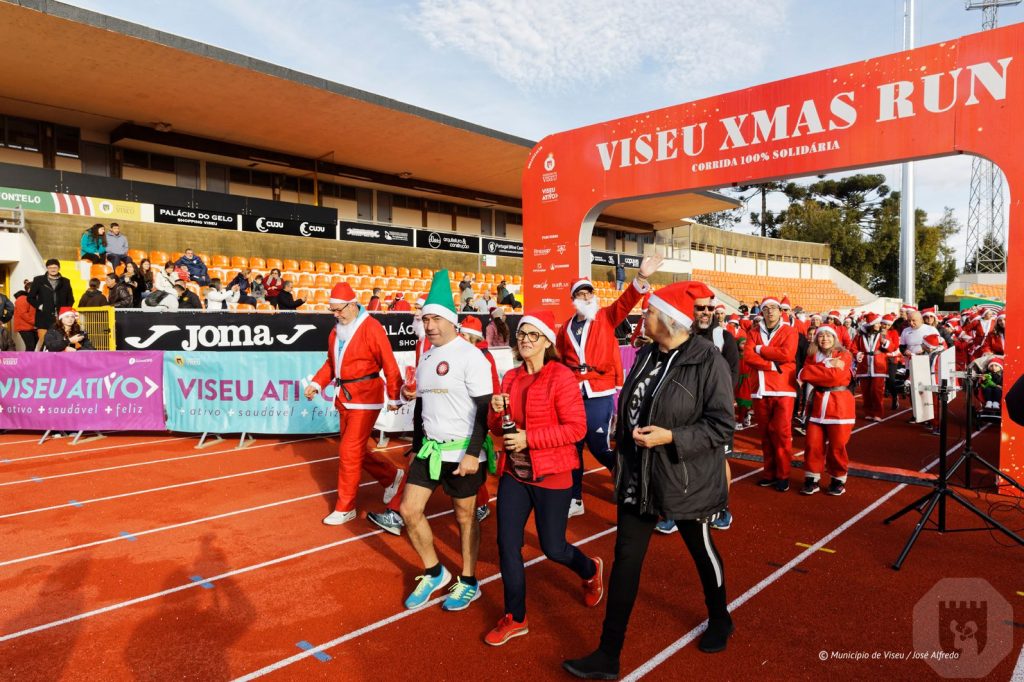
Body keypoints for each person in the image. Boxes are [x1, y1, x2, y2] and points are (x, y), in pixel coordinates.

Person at [563, 281, 735, 680]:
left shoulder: (708, 361)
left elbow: (721, 426)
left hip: (684, 478)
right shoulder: (644, 353)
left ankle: (720, 616)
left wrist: (672, 436)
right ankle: (609, 653)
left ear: (671, 321)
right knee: (626, 559)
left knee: (700, 551)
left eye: (650, 313)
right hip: (638, 477)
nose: (643, 319)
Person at [484, 310, 603, 646]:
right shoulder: (510, 377)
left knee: (553, 547)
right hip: (515, 474)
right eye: (521, 334)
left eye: (533, 335)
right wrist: (495, 410)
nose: (525, 340)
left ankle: (590, 570)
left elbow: (576, 429)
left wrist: (529, 438)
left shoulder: (561, 377)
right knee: (507, 544)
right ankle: (515, 616)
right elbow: (498, 428)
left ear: (548, 341)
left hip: (552, 474)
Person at [393, 270, 493, 612]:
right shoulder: (426, 357)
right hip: (430, 449)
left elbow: (484, 410)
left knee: (465, 517)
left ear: (451, 321)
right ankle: (435, 572)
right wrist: (415, 445)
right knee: (409, 510)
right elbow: (422, 404)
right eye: (425, 319)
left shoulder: (471, 356)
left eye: (436, 319)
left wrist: (473, 453)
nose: (430, 325)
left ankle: (468, 580)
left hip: (463, 451)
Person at [557, 254, 663, 518]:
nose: (586, 297)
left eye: (589, 292)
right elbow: (559, 359)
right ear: (573, 300)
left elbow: (627, 302)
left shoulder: (605, 317)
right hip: (573, 392)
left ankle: (626, 475)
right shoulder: (564, 328)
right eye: (580, 294)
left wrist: (641, 278)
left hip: (598, 390)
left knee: (598, 444)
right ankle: (574, 498)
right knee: (572, 447)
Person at [304, 282, 405, 526]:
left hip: (366, 398)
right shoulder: (336, 330)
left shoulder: (372, 328)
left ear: (352, 304)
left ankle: (345, 507)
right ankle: (392, 476)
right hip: (344, 398)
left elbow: (389, 363)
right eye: (332, 311)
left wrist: (394, 396)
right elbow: (331, 363)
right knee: (356, 449)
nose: (335, 315)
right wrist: (317, 384)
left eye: (339, 310)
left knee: (349, 451)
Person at [743, 295, 798, 492]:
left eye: (774, 308)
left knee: (782, 434)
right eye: (766, 309)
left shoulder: (790, 331)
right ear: (762, 312)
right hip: (760, 389)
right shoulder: (753, 331)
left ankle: (783, 475)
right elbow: (748, 356)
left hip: (783, 389)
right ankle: (769, 473)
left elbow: (787, 355)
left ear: (780, 311)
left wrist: (760, 349)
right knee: (765, 435)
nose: (770, 311)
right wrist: (770, 364)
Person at [798, 326, 855, 496]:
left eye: (828, 335)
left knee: (838, 446)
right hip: (817, 405)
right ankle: (812, 478)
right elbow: (805, 373)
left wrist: (813, 371)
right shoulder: (812, 355)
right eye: (821, 336)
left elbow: (835, 377)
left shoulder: (844, 354)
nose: (824, 339)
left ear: (835, 338)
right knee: (812, 444)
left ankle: (838, 478)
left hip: (839, 406)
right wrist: (826, 365)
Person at [28, 259, 74, 351]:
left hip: (60, 318)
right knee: (43, 340)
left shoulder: (66, 281)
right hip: (43, 317)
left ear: (59, 268)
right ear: (47, 268)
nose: (53, 269)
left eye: (55, 267)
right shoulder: (38, 280)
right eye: (50, 267)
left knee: (60, 341)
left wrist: (65, 312)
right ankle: (39, 361)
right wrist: (40, 306)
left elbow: (71, 299)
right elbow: (30, 297)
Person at [855, 313, 890, 422]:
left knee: (876, 390)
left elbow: (892, 347)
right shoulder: (860, 336)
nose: (880, 325)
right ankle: (869, 412)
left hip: (878, 366)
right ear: (872, 324)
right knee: (865, 391)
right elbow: (853, 347)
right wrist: (857, 354)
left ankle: (878, 413)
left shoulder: (883, 335)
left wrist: (885, 343)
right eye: (878, 323)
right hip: (864, 365)